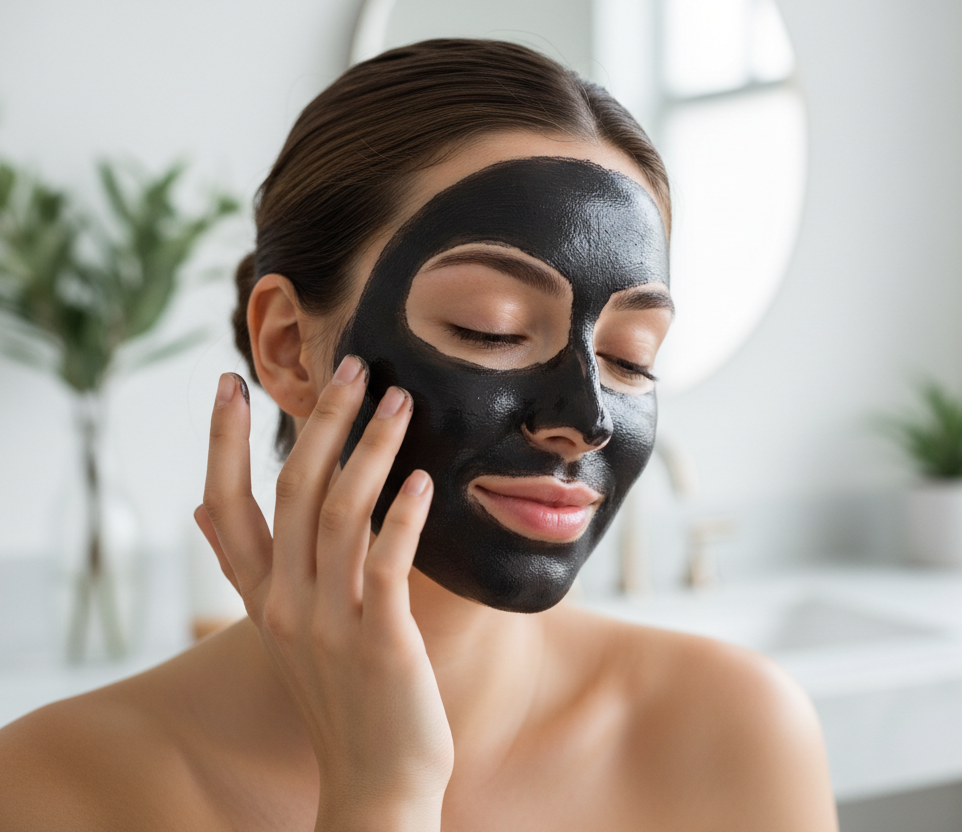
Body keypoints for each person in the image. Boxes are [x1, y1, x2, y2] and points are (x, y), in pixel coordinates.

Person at [0, 39, 837, 831]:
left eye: (630, 357)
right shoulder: (52, 787)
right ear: (287, 346)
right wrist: (381, 792)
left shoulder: (733, 731)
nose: (584, 421)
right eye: (490, 328)